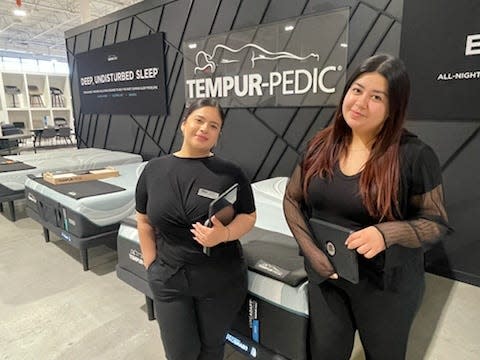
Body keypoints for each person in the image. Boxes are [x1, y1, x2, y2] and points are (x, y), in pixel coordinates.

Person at [283, 54, 450, 360]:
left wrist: (387, 233)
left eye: (376, 97)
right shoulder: (320, 145)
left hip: (386, 286)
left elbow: (436, 222)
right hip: (328, 278)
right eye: (357, 90)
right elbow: (292, 199)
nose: (360, 102)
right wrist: (311, 252)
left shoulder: (414, 155)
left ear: (392, 108)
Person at [135, 98, 256, 360]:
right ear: (184, 124)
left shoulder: (231, 173)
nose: (204, 129)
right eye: (199, 120)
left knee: (212, 349)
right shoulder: (153, 170)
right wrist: (150, 265)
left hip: (220, 279)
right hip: (169, 278)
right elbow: (143, 221)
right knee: (180, 353)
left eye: (213, 125)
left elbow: (248, 217)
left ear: (219, 133)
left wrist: (223, 234)